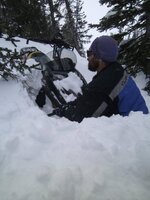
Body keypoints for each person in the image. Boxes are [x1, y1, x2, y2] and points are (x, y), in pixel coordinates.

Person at [49, 35, 149, 122]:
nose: (87, 58)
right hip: (140, 124)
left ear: (100, 57)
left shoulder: (105, 82)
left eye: (89, 53)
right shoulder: (116, 71)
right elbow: (89, 99)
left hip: (131, 135)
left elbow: (80, 117)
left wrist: (63, 111)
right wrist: (71, 104)